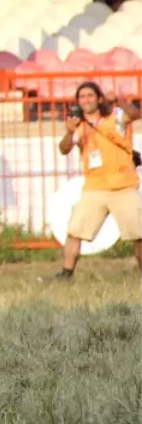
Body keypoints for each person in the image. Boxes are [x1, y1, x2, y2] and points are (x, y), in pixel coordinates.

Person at [50, 81, 142, 280]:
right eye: (81, 97)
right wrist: (68, 131)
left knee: (138, 234)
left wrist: (118, 100)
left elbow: (135, 114)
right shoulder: (78, 126)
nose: (86, 100)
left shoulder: (115, 116)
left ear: (99, 99)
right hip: (95, 187)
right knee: (75, 232)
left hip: (123, 185)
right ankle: (66, 274)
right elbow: (63, 149)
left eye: (90, 96)